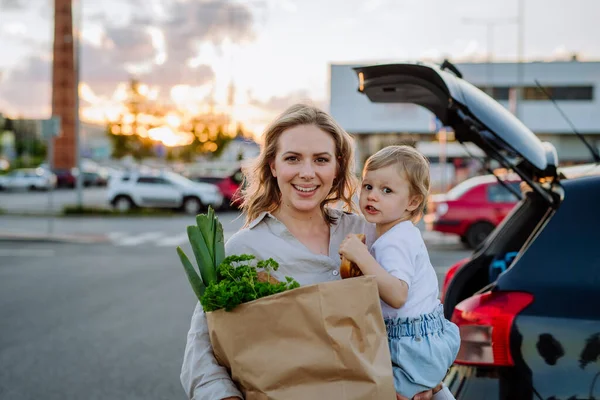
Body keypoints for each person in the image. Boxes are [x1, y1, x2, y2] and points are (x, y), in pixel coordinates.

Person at [180, 104, 438, 400]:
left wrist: (427, 378)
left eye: (321, 160)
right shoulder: (245, 248)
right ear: (273, 165)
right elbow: (202, 348)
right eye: (292, 159)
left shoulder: (367, 231)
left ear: (337, 167)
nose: (307, 173)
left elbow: (418, 306)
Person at [339, 145, 461, 400]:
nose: (372, 196)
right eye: (368, 186)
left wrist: (361, 256)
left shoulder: (396, 240)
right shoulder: (391, 230)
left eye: (387, 190)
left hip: (411, 345)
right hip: (422, 339)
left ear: (413, 202)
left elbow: (397, 294)